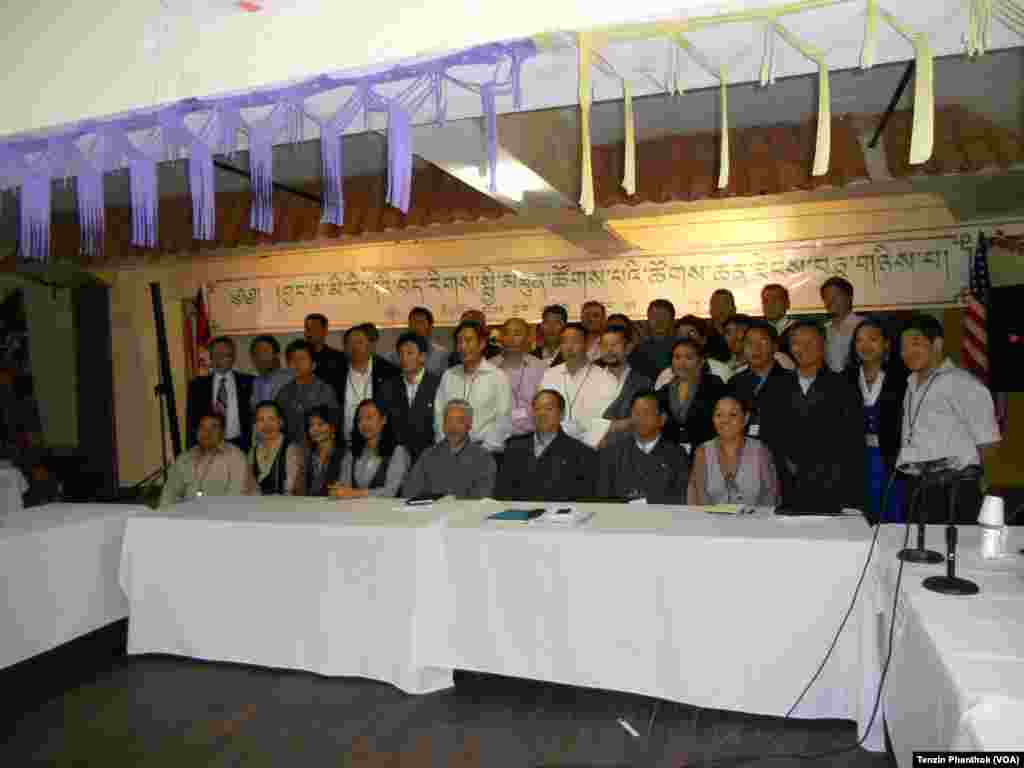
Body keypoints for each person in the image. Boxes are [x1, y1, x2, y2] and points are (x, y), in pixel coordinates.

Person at [896, 314, 1001, 524]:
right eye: (903, 347)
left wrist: (986, 492)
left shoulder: (962, 384)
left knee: (958, 554)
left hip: (954, 491)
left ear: (937, 344)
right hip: (917, 488)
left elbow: (988, 443)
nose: (907, 352)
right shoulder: (910, 385)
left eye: (915, 343)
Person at [758, 320, 865, 515]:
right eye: (797, 343)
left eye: (810, 342)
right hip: (786, 481)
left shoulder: (843, 386)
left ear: (823, 345)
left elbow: (852, 439)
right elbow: (769, 432)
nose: (803, 348)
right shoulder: (777, 386)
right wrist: (786, 462)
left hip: (833, 483)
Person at [846, 317, 907, 523]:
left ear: (887, 344)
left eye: (872, 339)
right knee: (862, 518)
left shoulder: (902, 377)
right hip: (857, 459)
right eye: (859, 340)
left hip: (891, 459)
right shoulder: (845, 378)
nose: (865, 346)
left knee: (893, 514)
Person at [495, 389, 596, 501]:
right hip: (518, 515)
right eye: (537, 409)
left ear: (562, 414)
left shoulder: (581, 453)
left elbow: (584, 501)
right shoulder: (514, 448)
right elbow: (502, 493)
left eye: (549, 409)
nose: (542, 413)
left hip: (559, 516)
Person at [596, 390, 689, 503]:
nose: (641, 419)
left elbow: (681, 499)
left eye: (647, 413)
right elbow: (603, 499)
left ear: (662, 419)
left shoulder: (677, 455)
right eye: (636, 413)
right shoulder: (613, 453)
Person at [687, 396, 780, 507]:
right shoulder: (702, 451)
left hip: (755, 522)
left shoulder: (761, 451)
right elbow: (697, 498)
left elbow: (771, 498)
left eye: (733, 415)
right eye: (719, 415)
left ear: (745, 419)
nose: (725, 420)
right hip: (710, 522)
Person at [435, 320, 512, 453]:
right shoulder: (448, 375)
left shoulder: (498, 377)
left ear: (482, 344)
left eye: (468, 340)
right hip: (450, 450)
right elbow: (439, 414)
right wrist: (446, 447)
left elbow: (503, 419)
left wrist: (483, 450)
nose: (463, 346)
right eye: (459, 341)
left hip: (486, 452)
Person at [540, 323, 619, 448]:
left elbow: (607, 420)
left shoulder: (606, 379)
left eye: (575, 342)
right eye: (565, 342)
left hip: (590, 448)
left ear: (586, 344)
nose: (569, 347)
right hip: (554, 446)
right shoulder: (549, 375)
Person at [401, 399, 497, 499]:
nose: (453, 427)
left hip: (466, 513)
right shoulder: (428, 455)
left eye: (459, 421)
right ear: (443, 425)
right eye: (448, 421)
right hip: (430, 512)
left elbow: (483, 498)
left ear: (469, 425)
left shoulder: (483, 458)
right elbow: (409, 492)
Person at [378, 332, 442, 463]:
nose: (404, 358)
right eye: (400, 354)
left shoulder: (438, 384)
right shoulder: (388, 387)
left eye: (409, 353)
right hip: (395, 459)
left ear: (423, 357)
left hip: (430, 457)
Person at [159, 412, 249, 506]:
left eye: (214, 427)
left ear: (222, 432)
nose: (207, 432)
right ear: (197, 432)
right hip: (187, 516)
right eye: (202, 427)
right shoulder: (185, 458)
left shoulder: (236, 457)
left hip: (222, 516)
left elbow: (236, 498)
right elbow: (169, 494)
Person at [656, 338, 727, 456]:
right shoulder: (663, 391)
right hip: (672, 455)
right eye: (677, 357)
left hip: (709, 452)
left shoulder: (714, 385)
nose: (682, 363)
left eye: (689, 358)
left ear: (701, 360)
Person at [186, 336, 254, 452]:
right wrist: (192, 450)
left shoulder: (249, 382)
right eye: (216, 355)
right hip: (208, 445)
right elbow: (192, 421)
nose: (219, 359)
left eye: (224, 355)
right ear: (211, 357)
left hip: (241, 445)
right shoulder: (197, 385)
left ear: (233, 357)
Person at [331, 398, 410, 498]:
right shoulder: (351, 453)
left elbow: (391, 491)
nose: (364, 423)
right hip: (353, 511)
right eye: (360, 419)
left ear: (383, 420)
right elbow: (344, 486)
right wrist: (338, 490)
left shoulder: (398, 452)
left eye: (369, 417)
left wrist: (355, 493)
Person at [336, 324, 400, 445]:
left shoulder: (389, 372)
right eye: (350, 343)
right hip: (345, 445)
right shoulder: (335, 374)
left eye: (359, 342)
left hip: (380, 443)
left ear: (370, 346)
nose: (354, 347)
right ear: (344, 348)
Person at [728, 321, 790, 440]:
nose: (755, 348)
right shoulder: (734, 382)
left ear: (775, 346)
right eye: (749, 343)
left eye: (762, 342)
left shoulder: (790, 381)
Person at [276, 340, 340, 448]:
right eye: (292, 359)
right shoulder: (283, 393)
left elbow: (333, 425)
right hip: (292, 450)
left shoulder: (325, 390)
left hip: (320, 448)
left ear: (313, 364)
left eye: (302, 359)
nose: (297, 363)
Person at [599, 324, 653, 447]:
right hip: (594, 448)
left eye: (614, 345)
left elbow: (645, 419)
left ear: (628, 348)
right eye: (605, 345)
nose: (609, 350)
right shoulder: (589, 380)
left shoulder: (643, 382)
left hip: (632, 450)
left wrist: (615, 425)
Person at [494, 318, 548, 437]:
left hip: (533, 436)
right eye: (507, 333)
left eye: (517, 333)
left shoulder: (541, 367)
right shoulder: (490, 368)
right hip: (498, 438)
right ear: (501, 338)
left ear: (528, 338)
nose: (511, 338)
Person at [248, 400, 304, 495]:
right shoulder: (253, 450)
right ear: (256, 425)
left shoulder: (291, 449)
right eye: (261, 420)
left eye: (271, 419)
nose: (267, 425)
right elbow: (248, 485)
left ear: (281, 422)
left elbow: (291, 489)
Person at [655, 317, 730, 387]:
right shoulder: (666, 375)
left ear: (704, 339)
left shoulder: (720, 371)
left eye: (691, 333)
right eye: (680, 334)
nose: (685, 338)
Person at [382, 307, 449, 376]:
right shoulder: (396, 354)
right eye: (413, 322)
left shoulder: (441, 354)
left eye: (421, 322)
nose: (416, 326)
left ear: (430, 327)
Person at [821, 277, 863, 373]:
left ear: (849, 297)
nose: (830, 301)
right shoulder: (823, 330)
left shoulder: (862, 325)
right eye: (826, 297)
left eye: (836, 296)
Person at [628, 299, 677, 382]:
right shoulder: (638, 350)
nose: (659, 321)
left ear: (672, 320)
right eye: (654, 316)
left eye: (664, 316)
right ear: (648, 319)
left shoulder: (680, 348)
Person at [303, 405, 344, 496]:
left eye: (320, 424)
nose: (315, 429)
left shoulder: (344, 455)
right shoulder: (309, 456)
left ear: (333, 427)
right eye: (311, 425)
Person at [303, 313, 346, 399]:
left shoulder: (339, 357)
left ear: (325, 331)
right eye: (308, 329)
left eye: (315, 328)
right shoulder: (300, 356)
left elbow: (341, 389)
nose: (310, 332)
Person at [249, 335, 295, 407]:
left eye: (265, 351)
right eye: (257, 353)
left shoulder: (290, 378)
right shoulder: (255, 383)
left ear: (277, 355)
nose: (261, 356)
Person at [761, 283, 796, 368]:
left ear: (787, 303)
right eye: (766, 301)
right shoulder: (755, 331)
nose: (770, 305)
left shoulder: (799, 330)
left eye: (775, 300)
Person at [705, 289, 735, 363]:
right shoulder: (703, 334)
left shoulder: (744, 333)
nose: (721, 309)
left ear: (734, 309)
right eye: (716, 304)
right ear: (710, 310)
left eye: (725, 304)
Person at [722, 313, 754, 378]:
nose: (735, 337)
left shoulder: (765, 361)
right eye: (728, 332)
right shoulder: (724, 367)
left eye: (739, 330)